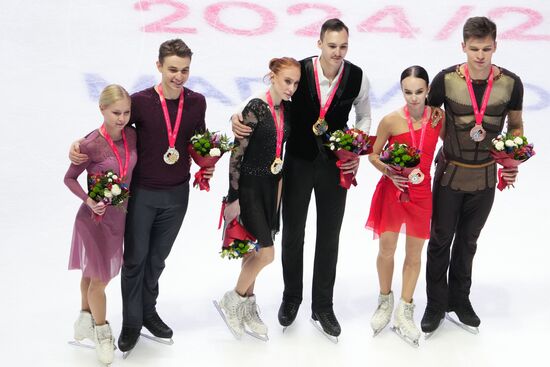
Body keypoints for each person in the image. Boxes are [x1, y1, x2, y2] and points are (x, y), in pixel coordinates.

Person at [69, 39, 214, 353]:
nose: (179, 76)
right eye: (173, 69)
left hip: (177, 195)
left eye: (185, 70)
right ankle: (132, 321)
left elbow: (196, 139)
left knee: (157, 260)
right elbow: (113, 128)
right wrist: (79, 143)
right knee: (134, 260)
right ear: (159, 66)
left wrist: (206, 162)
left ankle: (149, 312)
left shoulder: (197, 102)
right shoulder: (141, 102)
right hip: (143, 195)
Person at [232, 18, 371, 339]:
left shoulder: (358, 78)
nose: (337, 53)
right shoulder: (301, 71)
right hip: (297, 162)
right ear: (319, 43)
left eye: (343, 46)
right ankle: (291, 297)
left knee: (329, 235)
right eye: (332, 46)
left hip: (335, 165)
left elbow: (363, 113)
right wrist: (236, 116)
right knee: (293, 232)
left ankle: (323, 305)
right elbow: (270, 95)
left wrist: (355, 145)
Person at [421, 16, 524, 334]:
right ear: (463, 46)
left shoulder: (511, 83)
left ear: (496, 46)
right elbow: (428, 120)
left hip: (485, 178)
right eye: (474, 48)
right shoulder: (445, 80)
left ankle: (460, 300)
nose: (480, 55)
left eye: (487, 48)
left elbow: (516, 125)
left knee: (468, 241)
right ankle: (436, 304)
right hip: (450, 173)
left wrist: (513, 153)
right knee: (440, 240)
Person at [216, 57, 301, 340]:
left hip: (272, 186)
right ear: (272, 77)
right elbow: (236, 154)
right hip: (250, 187)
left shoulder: (287, 111)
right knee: (266, 253)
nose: (291, 87)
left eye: (296, 82)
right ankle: (235, 298)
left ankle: (248, 306)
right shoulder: (255, 108)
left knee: (254, 250)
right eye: (287, 81)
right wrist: (234, 196)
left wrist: (278, 193)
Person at [365, 66, 444, 346]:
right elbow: (373, 155)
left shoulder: (438, 118)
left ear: (428, 91)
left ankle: (405, 310)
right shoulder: (390, 121)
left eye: (419, 92)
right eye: (408, 92)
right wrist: (389, 172)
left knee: (414, 255)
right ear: (402, 91)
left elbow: (451, 145)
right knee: (387, 249)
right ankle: (385, 301)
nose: (413, 98)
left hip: (422, 194)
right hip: (393, 192)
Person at [65, 84, 137, 364]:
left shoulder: (132, 135)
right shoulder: (90, 144)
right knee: (99, 279)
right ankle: (102, 332)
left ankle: (85, 318)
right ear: (102, 109)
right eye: (116, 112)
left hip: (120, 217)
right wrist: (87, 200)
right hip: (94, 220)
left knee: (91, 274)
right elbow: (69, 178)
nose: (121, 118)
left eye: (126, 112)